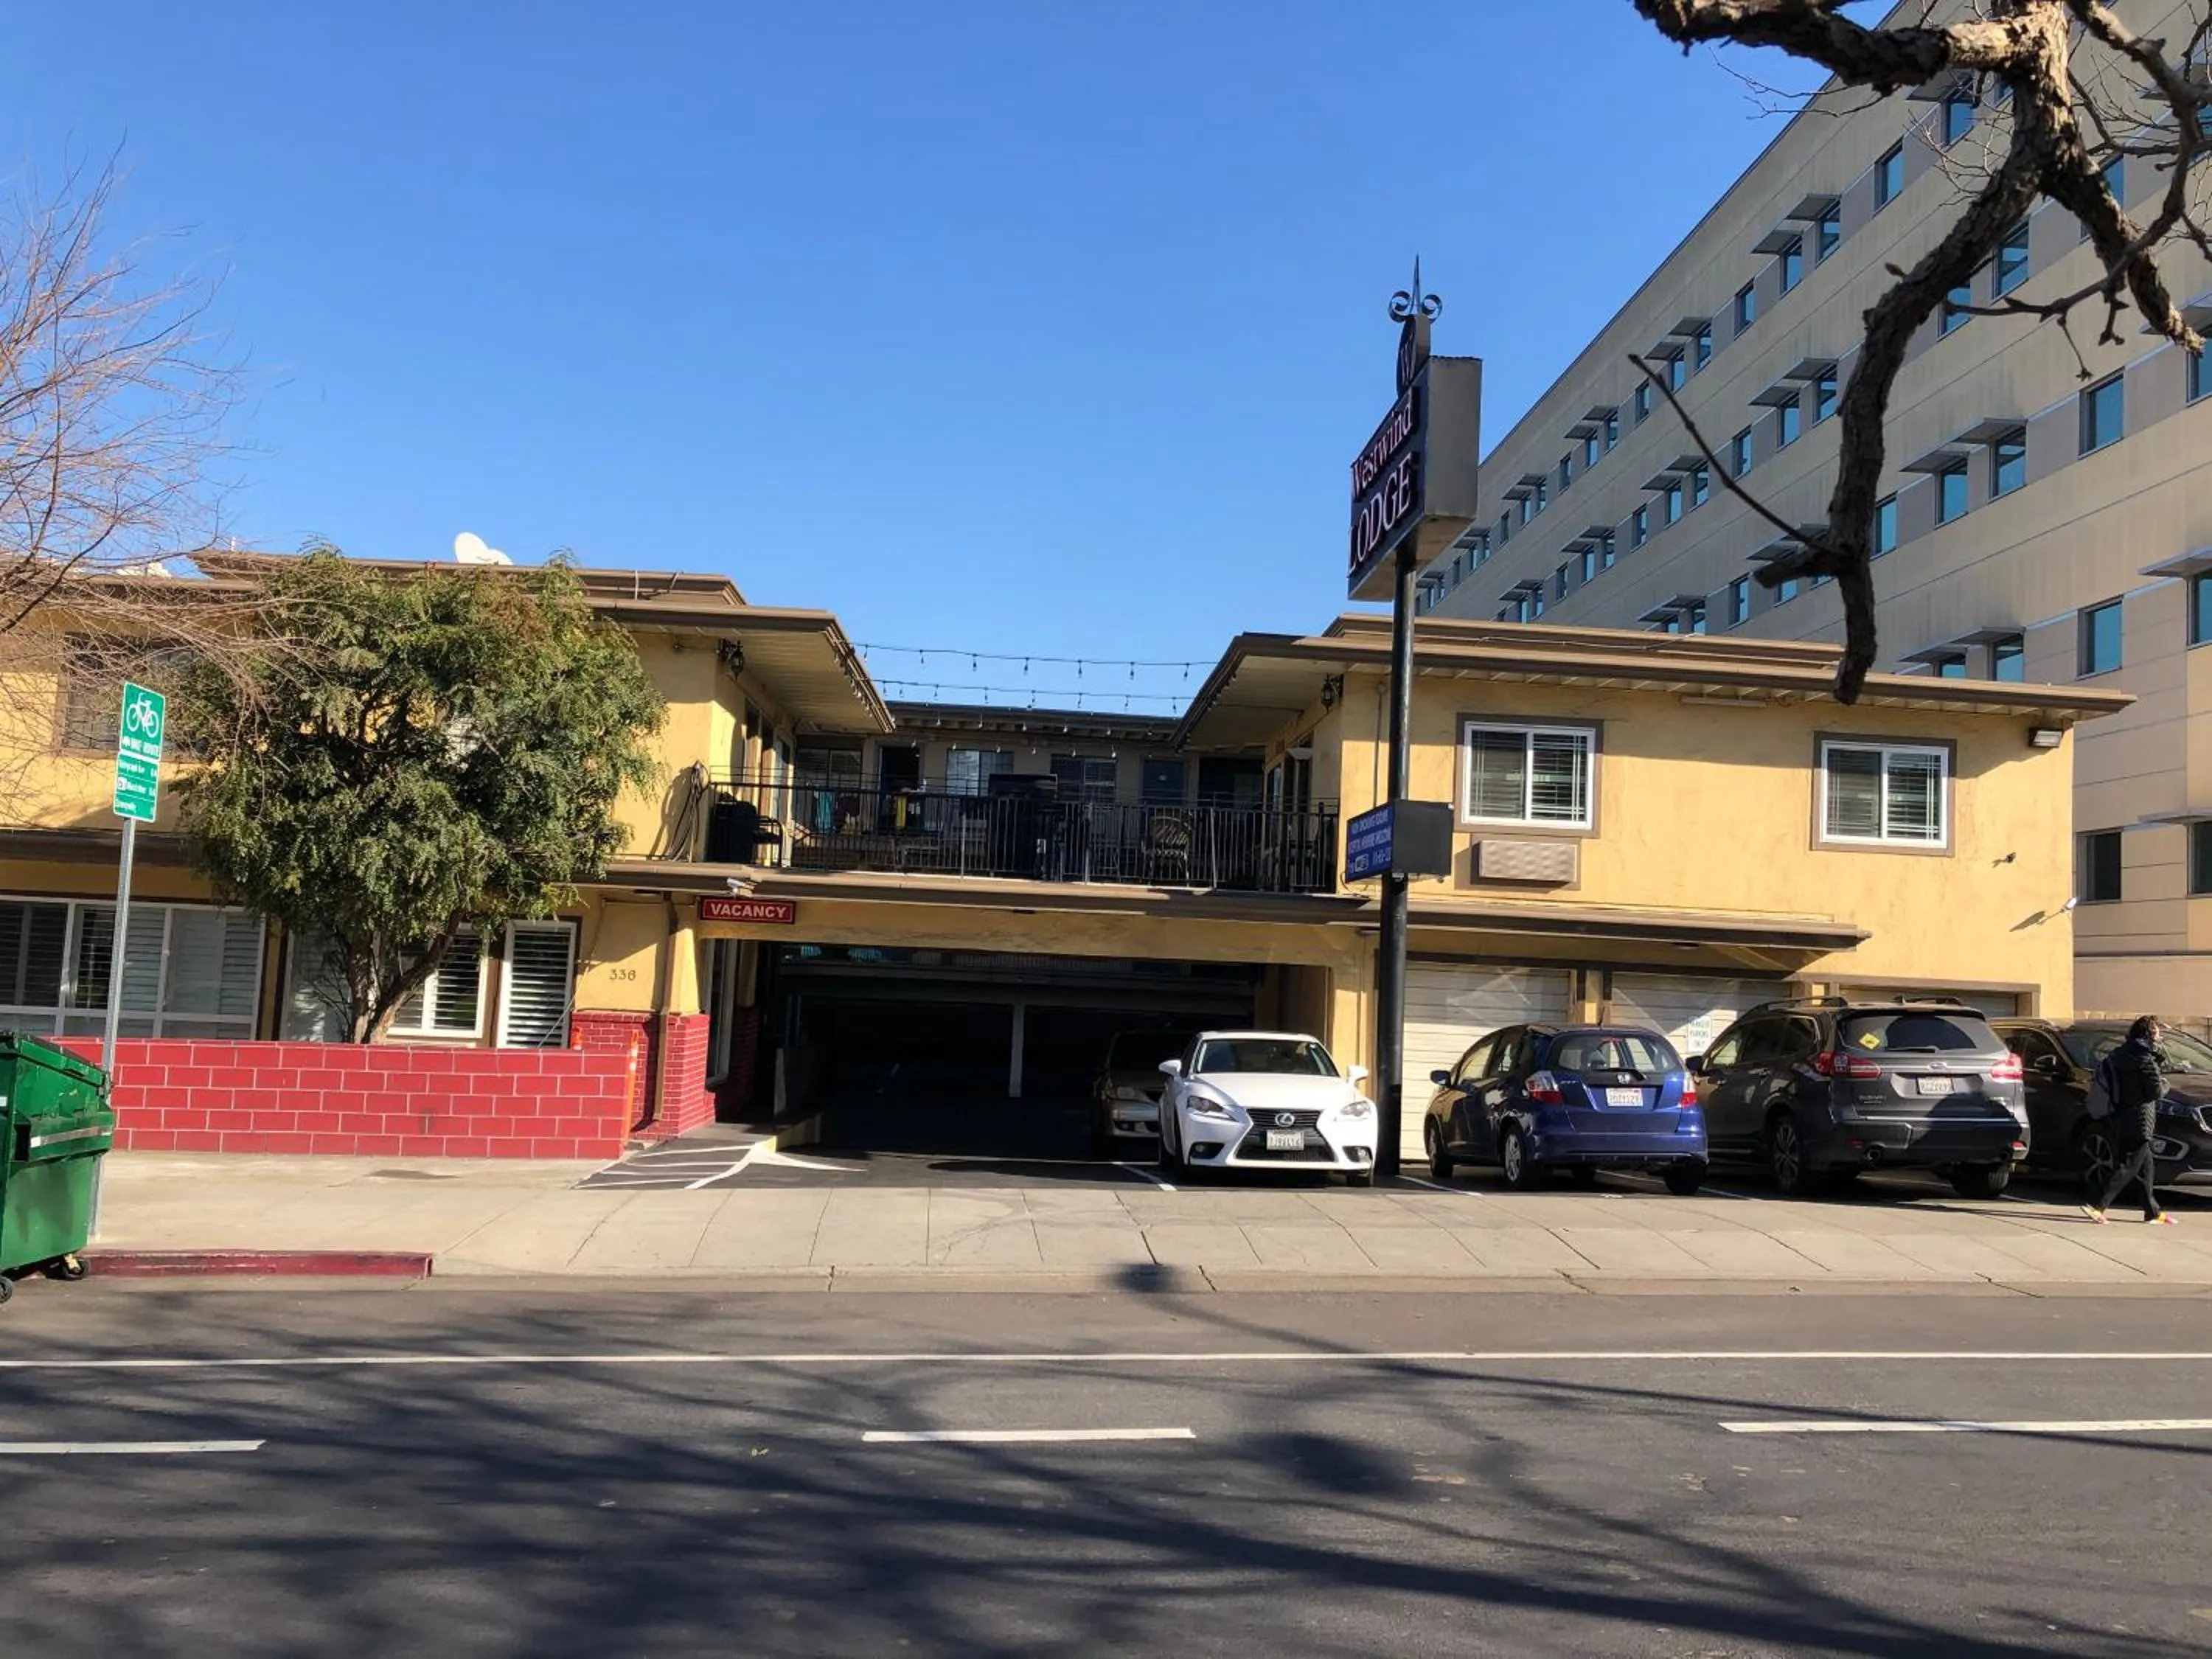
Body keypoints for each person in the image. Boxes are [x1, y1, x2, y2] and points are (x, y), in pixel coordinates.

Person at [2085, 1016, 2174, 1225]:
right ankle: (2098, 1206)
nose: (2160, 1036)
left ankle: (2152, 1212)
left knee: (2145, 1167)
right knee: (2128, 1165)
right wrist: (2166, 1084)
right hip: (2141, 1119)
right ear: (2149, 1035)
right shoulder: (2144, 1059)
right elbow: (2154, 1092)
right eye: (2157, 1033)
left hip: (2119, 1114)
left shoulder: (2119, 1055)